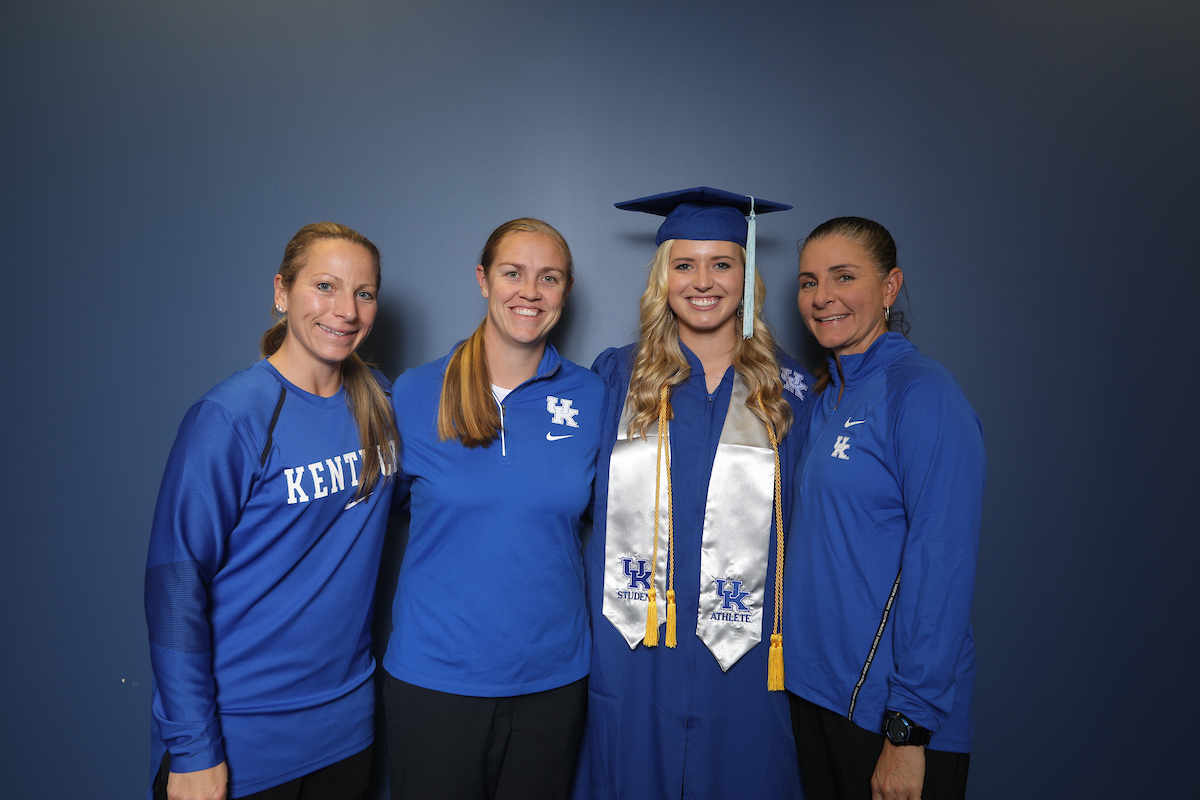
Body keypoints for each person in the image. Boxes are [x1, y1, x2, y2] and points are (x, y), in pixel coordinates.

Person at [144, 222, 399, 800]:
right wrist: (193, 746)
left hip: (346, 732)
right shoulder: (231, 416)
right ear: (282, 292)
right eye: (325, 286)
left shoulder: (380, 403)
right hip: (242, 739)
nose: (346, 310)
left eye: (363, 293)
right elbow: (174, 586)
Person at [573, 187, 813, 800]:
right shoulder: (617, 376)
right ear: (664, 277)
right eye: (685, 265)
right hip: (634, 646)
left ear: (745, 277)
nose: (703, 281)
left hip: (747, 652)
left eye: (722, 264)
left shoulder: (790, 390)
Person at [382, 218, 603, 800]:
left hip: (554, 681)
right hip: (436, 680)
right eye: (512, 273)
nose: (530, 292)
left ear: (566, 290)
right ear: (483, 279)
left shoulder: (593, 396)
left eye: (549, 278)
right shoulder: (413, 391)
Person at [785, 217, 985, 800]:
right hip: (815, 698)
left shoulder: (923, 393)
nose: (822, 296)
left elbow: (943, 561)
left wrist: (908, 729)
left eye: (844, 277)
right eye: (808, 282)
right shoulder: (825, 398)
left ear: (890, 286)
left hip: (891, 718)